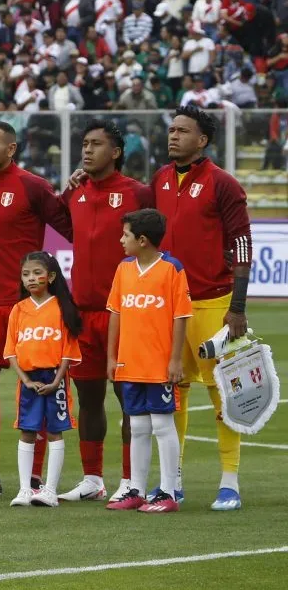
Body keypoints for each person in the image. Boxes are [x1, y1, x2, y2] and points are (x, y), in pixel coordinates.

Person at [0, 121, 72, 499]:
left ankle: (35, 479)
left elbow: (71, 226)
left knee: (37, 387)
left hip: (29, 309)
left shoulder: (32, 186)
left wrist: (79, 190)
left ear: (12, 148)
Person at [152, 106, 252, 511]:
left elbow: (243, 245)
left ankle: (230, 481)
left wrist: (238, 307)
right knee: (172, 393)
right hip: (168, 305)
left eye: (182, 131)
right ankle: (172, 480)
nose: (173, 136)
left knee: (224, 396)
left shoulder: (222, 183)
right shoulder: (158, 179)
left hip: (213, 302)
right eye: (171, 130)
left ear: (202, 140)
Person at [59, 121, 152, 504]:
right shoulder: (76, 193)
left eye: (97, 144)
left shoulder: (137, 192)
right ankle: (92, 479)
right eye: (84, 144)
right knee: (89, 398)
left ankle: (131, 480)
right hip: (84, 314)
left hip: (124, 314)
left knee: (128, 398)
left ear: (115, 152)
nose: (87, 150)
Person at [105, 209, 191, 514]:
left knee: (163, 425)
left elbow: (181, 317)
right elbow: (116, 313)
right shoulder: (124, 268)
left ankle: (168, 491)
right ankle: (136, 490)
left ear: (142, 240)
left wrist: (175, 360)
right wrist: (112, 356)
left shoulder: (171, 269)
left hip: (158, 364)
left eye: (125, 235)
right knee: (138, 426)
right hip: (130, 363)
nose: (121, 240)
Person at [4, 252, 82, 507]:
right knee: (27, 431)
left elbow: (69, 353)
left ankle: (50, 490)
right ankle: (25, 489)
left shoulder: (61, 308)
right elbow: (11, 351)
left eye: (37, 273)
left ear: (51, 277)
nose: (31, 279)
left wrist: (57, 381)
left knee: (54, 432)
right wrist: (25, 381)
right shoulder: (19, 309)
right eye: (26, 274)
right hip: (29, 381)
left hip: (54, 378)